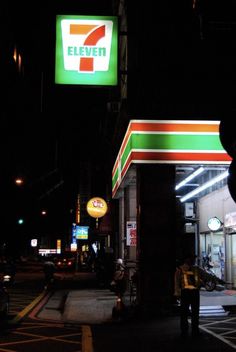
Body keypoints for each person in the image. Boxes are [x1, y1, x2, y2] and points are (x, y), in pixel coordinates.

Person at [174, 253, 210, 338]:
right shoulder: (180, 269)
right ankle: (186, 332)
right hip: (186, 292)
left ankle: (193, 332)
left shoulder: (196, 269)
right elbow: (177, 282)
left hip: (193, 292)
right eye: (192, 258)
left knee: (194, 313)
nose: (193, 260)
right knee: (185, 314)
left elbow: (206, 276)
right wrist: (177, 293)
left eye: (194, 258)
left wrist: (204, 282)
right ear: (186, 259)